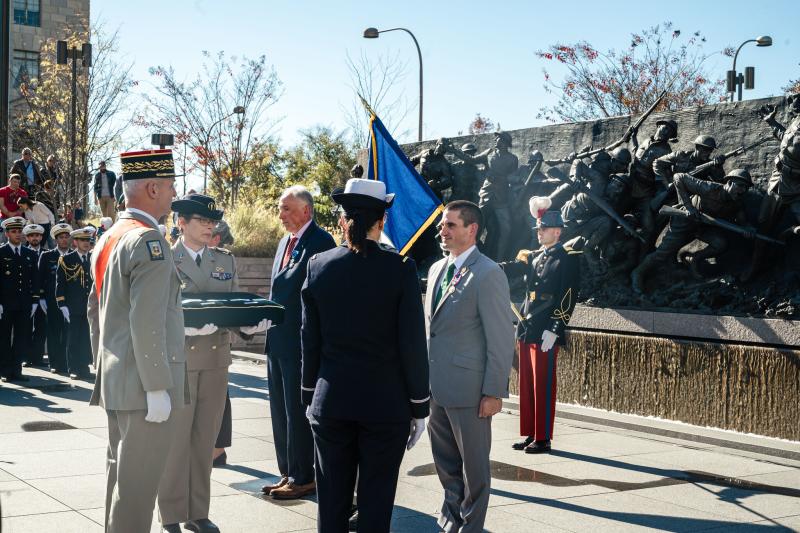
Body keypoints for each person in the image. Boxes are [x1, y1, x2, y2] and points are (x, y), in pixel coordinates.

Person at [301, 178, 430, 533]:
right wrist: (419, 405)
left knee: (331, 503)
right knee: (376, 503)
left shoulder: (318, 266)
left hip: (331, 403)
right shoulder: (400, 269)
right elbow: (412, 344)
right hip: (384, 406)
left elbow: (309, 341)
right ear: (382, 221)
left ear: (343, 221)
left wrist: (308, 396)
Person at [87, 149, 188, 532]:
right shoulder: (149, 241)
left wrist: (102, 363)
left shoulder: (110, 236)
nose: (173, 193)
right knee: (137, 490)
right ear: (151, 188)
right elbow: (147, 322)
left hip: (118, 378)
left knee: (120, 481)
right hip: (143, 385)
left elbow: (94, 311)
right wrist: (158, 386)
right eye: (170, 186)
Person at [157, 193, 266, 532]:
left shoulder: (224, 260)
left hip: (217, 360)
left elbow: (232, 304)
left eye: (212, 221)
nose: (210, 226)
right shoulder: (164, 259)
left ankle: (197, 512)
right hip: (181, 361)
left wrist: (248, 325)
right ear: (181, 223)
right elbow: (156, 311)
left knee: (205, 440)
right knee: (176, 442)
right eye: (202, 220)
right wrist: (183, 328)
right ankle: (172, 515)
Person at [426, 200, 515, 532]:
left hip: (470, 390)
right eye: (442, 225)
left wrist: (494, 391)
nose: (443, 230)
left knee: (474, 470)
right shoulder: (436, 269)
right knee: (446, 463)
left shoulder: (489, 272)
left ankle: (471, 527)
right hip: (436, 386)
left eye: (450, 225)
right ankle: (451, 520)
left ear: (471, 229)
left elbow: (501, 337)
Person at [262, 185, 336, 500]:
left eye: (287, 208)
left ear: (306, 210)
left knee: (297, 411)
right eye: (281, 208)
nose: (281, 215)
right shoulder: (285, 242)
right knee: (280, 410)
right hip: (276, 339)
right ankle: (288, 470)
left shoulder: (321, 242)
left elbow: (315, 292)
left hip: (300, 344)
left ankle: (304, 475)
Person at [500, 197, 581, 454]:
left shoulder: (567, 257)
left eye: (543, 229)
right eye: (537, 229)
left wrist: (556, 328)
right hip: (526, 324)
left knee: (543, 383)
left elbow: (568, 295)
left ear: (556, 231)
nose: (539, 232)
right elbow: (513, 270)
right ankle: (531, 432)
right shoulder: (534, 257)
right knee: (527, 383)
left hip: (546, 326)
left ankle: (543, 437)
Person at [631, 169, 754, 293]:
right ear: (729, 183)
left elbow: (743, 222)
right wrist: (689, 207)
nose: (743, 190)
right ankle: (638, 273)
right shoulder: (709, 188)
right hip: (684, 222)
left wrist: (748, 228)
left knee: (720, 243)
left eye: (746, 188)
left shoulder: (737, 202)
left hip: (702, 227)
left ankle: (693, 259)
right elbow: (679, 176)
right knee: (662, 254)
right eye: (740, 186)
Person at [0, 216, 39, 382]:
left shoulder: (30, 254)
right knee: (3, 337)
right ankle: (5, 370)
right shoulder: (2, 252)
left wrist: (36, 300)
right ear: (7, 233)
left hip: (24, 304)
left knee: (21, 337)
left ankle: (17, 370)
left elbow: (35, 279)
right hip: (6, 304)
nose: (17, 234)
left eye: (19, 231)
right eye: (13, 231)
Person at [210, 219, 235, 467]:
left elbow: (233, 299)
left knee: (220, 398)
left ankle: (218, 449)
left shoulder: (224, 260)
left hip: (217, 340)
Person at [56, 227, 94, 380]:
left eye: (88, 240)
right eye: (83, 240)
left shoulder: (93, 257)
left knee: (86, 338)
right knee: (73, 339)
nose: (86, 243)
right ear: (76, 242)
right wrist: (62, 304)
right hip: (73, 306)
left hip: (90, 306)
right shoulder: (66, 259)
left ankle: (84, 367)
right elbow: (60, 284)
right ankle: (73, 368)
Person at [37, 223, 73, 374]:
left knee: (68, 333)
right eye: (61, 238)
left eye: (66, 237)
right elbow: (39, 278)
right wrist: (40, 298)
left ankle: (67, 362)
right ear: (55, 240)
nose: (64, 240)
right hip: (51, 301)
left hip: (70, 302)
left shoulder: (74, 255)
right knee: (53, 332)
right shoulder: (47, 256)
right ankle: (55, 363)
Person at [23, 224, 47, 367]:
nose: (35, 238)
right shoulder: (23, 253)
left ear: (41, 237)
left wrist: (43, 297)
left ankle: (37, 357)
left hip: (43, 298)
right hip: (27, 297)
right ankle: (26, 357)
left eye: (37, 235)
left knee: (41, 328)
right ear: (27, 237)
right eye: (31, 235)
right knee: (25, 328)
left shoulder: (47, 253)